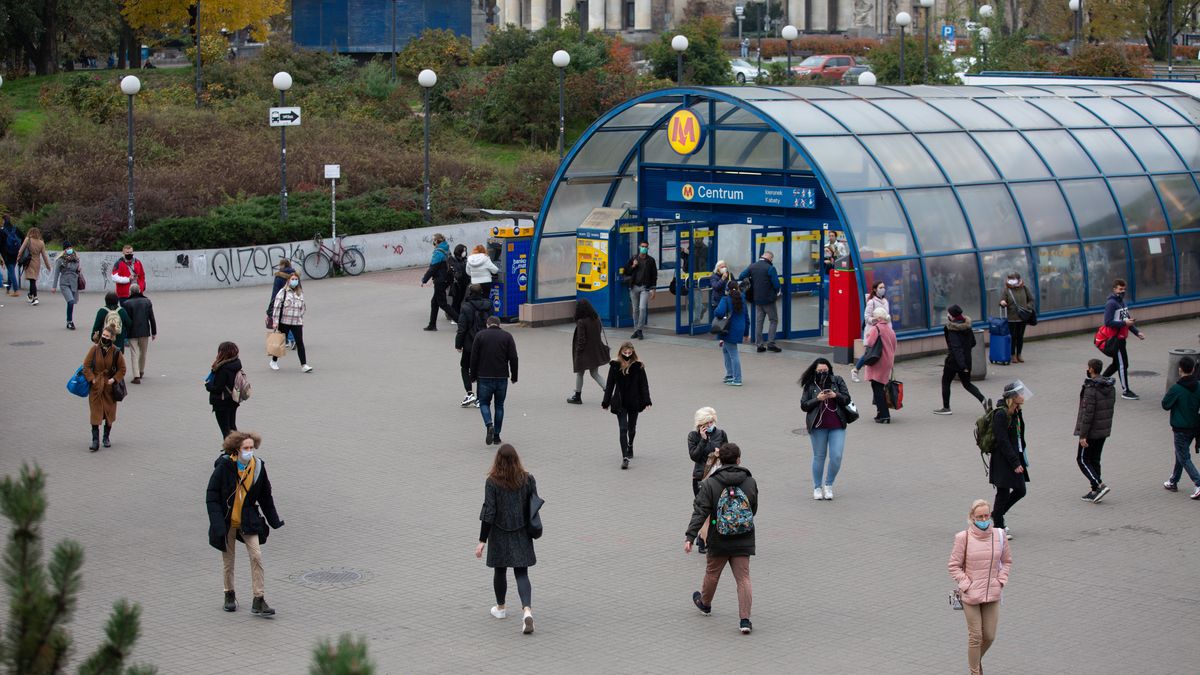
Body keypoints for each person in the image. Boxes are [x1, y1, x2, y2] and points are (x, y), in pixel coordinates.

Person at [206, 431, 284, 617]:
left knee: (256, 555)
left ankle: (259, 599)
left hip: (248, 518)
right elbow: (212, 496)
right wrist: (217, 523)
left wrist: (274, 520)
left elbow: (266, 495)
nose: (249, 451)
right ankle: (229, 594)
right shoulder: (225, 466)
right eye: (245, 448)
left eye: (251, 447)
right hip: (227, 520)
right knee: (228, 559)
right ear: (236, 449)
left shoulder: (258, 467)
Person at [684, 442, 757, 635]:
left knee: (712, 572)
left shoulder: (710, 483)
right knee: (743, 578)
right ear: (739, 459)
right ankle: (745, 620)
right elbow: (753, 509)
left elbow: (700, 511)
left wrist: (690, 536)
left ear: (720, 461)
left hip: (719, 536)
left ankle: (705, 604)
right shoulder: (750, 481)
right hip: (744, 536)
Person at [475, 443, 541, 634]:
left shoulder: (492, 482)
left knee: (500, 570)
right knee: (522, 573)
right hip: (522, 531)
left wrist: (482, 540)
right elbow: (533, 504)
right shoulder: (528, 479)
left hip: (499, 532)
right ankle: (527, 610)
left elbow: (489, 512)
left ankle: (501, 608)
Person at [947, 499, 1012, 675]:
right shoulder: (963, 538)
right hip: (971, 595)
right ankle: (974, 671)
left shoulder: (999, 535)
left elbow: (1006, 561)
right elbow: (954, 565)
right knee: (975, 636)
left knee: (989, 636)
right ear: (972, 518)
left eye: (986, 515)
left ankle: (975, 659)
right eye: (979, 516)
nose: (983, 519)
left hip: (992, 593)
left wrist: (1001, 581)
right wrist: (966, 584)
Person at [800, 358, 853, 500]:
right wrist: (817, 399)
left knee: (836, 456)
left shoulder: (837, 380)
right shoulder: (810, 385)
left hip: (837, 425)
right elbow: (804, 405)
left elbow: (847, 399)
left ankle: (828, 484)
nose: (823, 373)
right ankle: (817, 487)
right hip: (818, 426)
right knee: (819, 457)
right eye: (820, 371)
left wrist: (836, 395)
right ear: (815, 371)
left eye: (825, 370)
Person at [602, 341, 652, 470]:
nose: (627, 355)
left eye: (630, 353)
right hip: (620, 402)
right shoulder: (615, 365)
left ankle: (630, 445)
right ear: (621, 352)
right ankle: (625, 456)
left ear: (633, 352)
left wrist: (647, 401)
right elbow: (609, 385)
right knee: (623, 428)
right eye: (625, 353)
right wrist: (606, 401)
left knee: (632, 428)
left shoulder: (638, 366)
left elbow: (643, 385)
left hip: (634, 401)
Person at [991, 381, 1031, 539]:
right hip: (1003, 459)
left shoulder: (1015, 412)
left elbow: (1019, 436)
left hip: (1015, 456)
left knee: (1020, 490)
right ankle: (998, 526)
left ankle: (997, 514)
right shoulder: (1001, 414)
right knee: (1003, 492)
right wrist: (1015, 462)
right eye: (1020, 394)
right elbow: (1002, 441)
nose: (1023, 396)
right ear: (1013, 397)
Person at [471, 316, 519, 446]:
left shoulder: (480, 335)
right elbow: (514, 358)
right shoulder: (507, 336)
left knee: (484, 403)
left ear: (487, 324)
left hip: (484, 376)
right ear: (499, 325)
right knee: (499, 406)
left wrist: (473, 376)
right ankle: (497, 436)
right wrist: (514, 376)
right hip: (502, 377)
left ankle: (489, 424)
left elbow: (474, 357)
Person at [687, 407, 728, 554]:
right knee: (703, 509)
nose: (710, 425)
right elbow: (694, 456)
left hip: (717, 477)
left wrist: (720, 453)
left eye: (711, 422)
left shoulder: (721, 434)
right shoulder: (693, 436)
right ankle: (703, 540)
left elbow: (727, 453)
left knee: (714, 510)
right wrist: (703, 441)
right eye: (706, 423)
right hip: (700, 478)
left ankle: (705, 536)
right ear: (699, 425)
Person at [1074, 358, 1116, 503]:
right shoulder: (1109, 386)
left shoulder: (1091, 389)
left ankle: (1098, 485)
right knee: (1095, 459)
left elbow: (1087, 414)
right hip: (1103, 430)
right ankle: (1094, 490)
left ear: (1091, 369)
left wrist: (1083, 435)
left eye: (1088, 367)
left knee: (1082, 459)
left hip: (1091, 431)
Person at [933, 305, 987, 415]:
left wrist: (962, 366)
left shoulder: (952, 329)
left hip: (954, 361)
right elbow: (973, 343)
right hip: (967, 360)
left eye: (948, 314)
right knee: (967, 384)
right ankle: (983, 400)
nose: (947, 315)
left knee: (946, 382)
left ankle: (946, 408)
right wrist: (965, 363)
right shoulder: (967, 326)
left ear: (952, 317)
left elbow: (956, 349)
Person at [1161, 355, 1200, 499]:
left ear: (1180, 369)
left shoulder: (1176, 388)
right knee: (1181, 453)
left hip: (1180, 427)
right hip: (1195, 427)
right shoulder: (1199, 385)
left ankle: (1198, 483)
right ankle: (1173, 481)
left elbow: (1165, 405)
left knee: (1183, 456)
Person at [82, 325, 126, 451]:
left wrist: (114, 379)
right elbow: (86, 366)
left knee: (109, 414)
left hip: (109, 389)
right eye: (103, 335)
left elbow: (122, 369)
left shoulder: (116, 351)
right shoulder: (94, 349)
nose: (104, 338)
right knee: (95, 414)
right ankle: (95, 441)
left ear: (112, 338)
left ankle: (106, 437)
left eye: (107, 336)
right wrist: (92, 379)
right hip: (96, 388)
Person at [1101, 279, 1145, 400]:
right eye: (1120, 289)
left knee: (1117, 364)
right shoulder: (1111, 304)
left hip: (1121, 339)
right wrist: (1124, 323)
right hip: (1116, 340)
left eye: (1124, 289)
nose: (1122, 291)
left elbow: (1128, 321)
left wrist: (1137, 332)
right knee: (1122, 365)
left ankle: (1099, 382)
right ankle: (1126, 391)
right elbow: (1108, 322)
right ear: (1114, 289)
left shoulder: (1122, 303)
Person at [456, 284, 492, 408]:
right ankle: (480, 398)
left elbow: (462, 328)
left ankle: (469, 393)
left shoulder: (466, 307)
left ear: (469, 293)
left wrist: (458, 344)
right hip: (485, 342)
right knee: (481, 369)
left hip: (470, 343)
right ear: (481, 292)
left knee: (465, 367)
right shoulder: (488, 305)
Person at [738, 251, 781, 353]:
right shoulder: (770, 268)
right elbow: (776, 284)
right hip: (769, 300)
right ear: (769, 258)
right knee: (773, 320)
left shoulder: (752, 266)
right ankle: (771, 343)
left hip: (757, 299)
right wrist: (777, 291)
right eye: (772, 259)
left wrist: (751, 280)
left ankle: (759, 345)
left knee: (759, 322)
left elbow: (741, 276)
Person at [567, 299, 608, 404]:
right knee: (594, 373)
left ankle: (577, 396)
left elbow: (581, 339)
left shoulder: (581, 322)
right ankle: (609, 393)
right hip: (595, 350)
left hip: (585, 352)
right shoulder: (596, 318)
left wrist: (578, 353)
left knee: (580, 373)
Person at [269, 272, 311, 372]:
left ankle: (304, 365)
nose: (294, 281)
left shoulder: (300, 293)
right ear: (288, 281)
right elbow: (277, 307)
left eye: (296, 279)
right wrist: (275, 321)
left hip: (297, 322)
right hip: (285, 321)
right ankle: (273, 361)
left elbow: (302, 307)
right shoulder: (283, 292)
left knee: (300, 342)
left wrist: (301, 319)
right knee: (280, 342)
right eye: (292, 279)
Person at [862, 307, 898, 423]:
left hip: (877, 361)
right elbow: (894, 346)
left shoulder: (875, 328)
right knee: (880, 386)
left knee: (877, 388)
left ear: (878, 318)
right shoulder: (890, 329)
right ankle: (880, 413)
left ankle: (884, 415)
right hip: (887, 361)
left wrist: (867, 335)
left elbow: (869, 343)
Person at [850, 280, 889, 382]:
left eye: (883, 287)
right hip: (873, 331)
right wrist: (875, 320)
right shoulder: (871, 302)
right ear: (875, 289)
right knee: (869, 353)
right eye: (880, 288)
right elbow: (867, 317)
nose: (883, 289)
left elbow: (887, 316)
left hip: (883, 330)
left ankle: (877, 374)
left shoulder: (885, 301)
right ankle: (855, 370)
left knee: (880, 352)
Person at [206, 342, 243, 441]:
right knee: (232, 427)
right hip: (233, 400)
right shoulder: (236, 363)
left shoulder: (223, 369)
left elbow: (218, 388)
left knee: (226, 430)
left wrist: (208, 386)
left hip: (222, 402)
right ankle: (239, 448)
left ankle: (231, 451)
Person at [420, 233, 457, 331]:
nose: (432, 242)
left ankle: (461, 321)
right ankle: (432, 325)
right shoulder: (446, 248)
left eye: (433, 240)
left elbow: (433, 268)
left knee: (442, 303)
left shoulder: (438, 252)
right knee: (434, 302)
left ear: (437, 241)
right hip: (447, 279)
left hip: (440, 280)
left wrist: (424, 280)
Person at [121, 286, 156, 384]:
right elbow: (151, 318)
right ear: (140, 291)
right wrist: (154, 332)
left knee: (134, 354)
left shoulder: (126, 303)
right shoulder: (147, 302)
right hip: (145, 332)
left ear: (130, 292)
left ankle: (136, 376)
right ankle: (141, 371)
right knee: (143, 353)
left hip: (132, 332)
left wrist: (124, 334)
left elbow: (125, 321)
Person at [714, 285, 747, 386]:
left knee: (733, 353)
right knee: (725, 350)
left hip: (728, 329)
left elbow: (719, 312)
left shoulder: (726, 299)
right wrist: (746, 333)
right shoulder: (742, 299)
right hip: (739, 328)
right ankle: (730, 374)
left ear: (727, 290)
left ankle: (737, 378)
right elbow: (746, 317)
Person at [998, 272, 1033, 363]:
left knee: (1020, 336)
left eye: (1013, 279)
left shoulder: (1024, 288)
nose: (1011, 281)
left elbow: (1031, 300)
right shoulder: (1007, 290)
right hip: (1011, 318)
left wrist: (1027, 307)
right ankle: (1012, 355)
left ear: (1018, 279)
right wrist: (1002, 303)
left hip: (1022, 317)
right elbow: (1002, 300)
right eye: (1009, 279)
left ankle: (1019, 354)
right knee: (1013, 337)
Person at [625, 241, 657, 340]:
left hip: (645, 287)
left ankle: (640, 330)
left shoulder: (651, 260)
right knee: (635, 310)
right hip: (634, 287)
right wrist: (633, 266)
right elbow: (626, 271)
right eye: (642, 246)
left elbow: (654, 275)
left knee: (642, 308)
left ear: (648, 248)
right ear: (639, 247)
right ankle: (635, 330)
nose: (644, 248)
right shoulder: (634, 258)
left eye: (646, 247)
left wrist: (653, 289)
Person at [50, 240, 82, 329]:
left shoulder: (76, 259)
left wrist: (78, 270)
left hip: (74, 283)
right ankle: (70, 321)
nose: (69, 249)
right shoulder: (60, 260)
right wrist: (54, 286)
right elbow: (56, 273)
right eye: (67, 248)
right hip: (64, 283)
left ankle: (69, 321)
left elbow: (76, 270)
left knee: (71, 303)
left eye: (70, 247)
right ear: (64, 250)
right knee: (70, 301)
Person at [15, 227, 51, 305]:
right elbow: (44, 255)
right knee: (33, 280)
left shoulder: (28, 239)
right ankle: (30, 295)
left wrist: (18, 258)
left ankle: (35, 297)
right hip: (37, 262)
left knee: (32, 281)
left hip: (29, 262)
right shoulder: (41, 242)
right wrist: (48, 266)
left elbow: (21, 250)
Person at [266, 257, 296, 350]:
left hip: (282, 301)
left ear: (282, 265)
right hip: (293, 300)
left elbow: (275, 291)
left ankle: (291, 339)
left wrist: (272, 303)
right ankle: (288, 340)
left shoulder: (279, 276)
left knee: (282, 321)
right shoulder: (294, 275)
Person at [699, 258, 732, 323]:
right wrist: (722, 279)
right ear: (718, 269)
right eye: (722, 267)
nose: (724, 268)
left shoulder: (728, 275)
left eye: (725, 266)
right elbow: (715, 287)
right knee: (718, 318)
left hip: (727, 299)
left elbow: (732, 284)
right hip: (717, 301)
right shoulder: (714, 276)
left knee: (726, 318)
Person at [1, 214, 22, 296]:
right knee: (11, 270)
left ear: (4, 221)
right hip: (16, 253)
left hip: (7, 254)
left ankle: (16, 290)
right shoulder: (15, 229)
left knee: (11, 271)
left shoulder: (2, 231)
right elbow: (23, 238)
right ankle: (8, 289)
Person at [448, 244, 470, 319]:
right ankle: (454, 317)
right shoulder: (453, 259)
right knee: (455, 301)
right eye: (464, 250)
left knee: (460, 300)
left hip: (464, 283)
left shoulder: (465, 260)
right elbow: (457, 272)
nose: (465, 252)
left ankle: (457, 315)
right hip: (457, 284)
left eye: (465, 250)